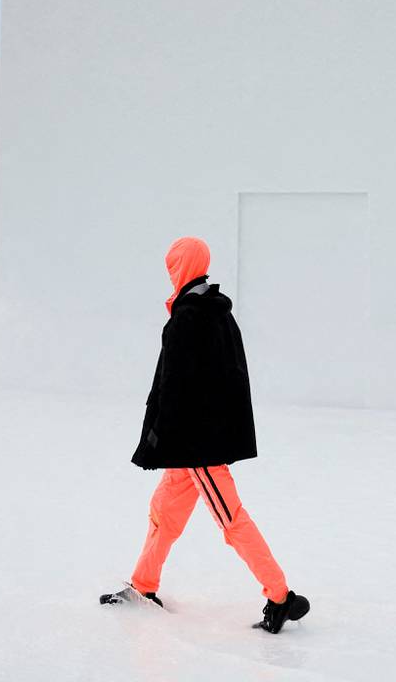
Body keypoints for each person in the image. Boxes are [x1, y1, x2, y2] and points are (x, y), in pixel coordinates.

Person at [101, 236, 310, 634]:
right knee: (163, 512)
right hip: (196, 443)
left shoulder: (191, 317)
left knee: (231, 520)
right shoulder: (215, 311)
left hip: (198, 446)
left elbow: (175, 387)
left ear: (181, 268)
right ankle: (144, 586)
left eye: (171, 266)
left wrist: (161, 436)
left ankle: (281, 597)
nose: (169, 273)